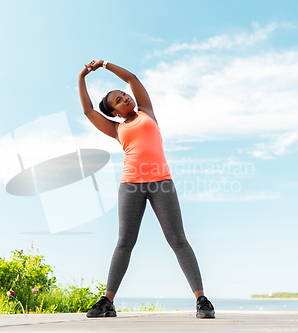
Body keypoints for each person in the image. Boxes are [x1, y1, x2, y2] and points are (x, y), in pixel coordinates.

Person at [78, 60, 215, 319]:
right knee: (124, 243)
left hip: (161, 182)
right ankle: (107, 301)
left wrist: (105, 65)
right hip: (130, 186)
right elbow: (87, 111)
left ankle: (202, 300)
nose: (125, 97)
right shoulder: (117, 129)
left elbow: (132, 78)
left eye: (124, 95)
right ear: (115, 112)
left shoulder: (146, 112)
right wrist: (82, 76)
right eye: (119, 100)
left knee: (177, 239)